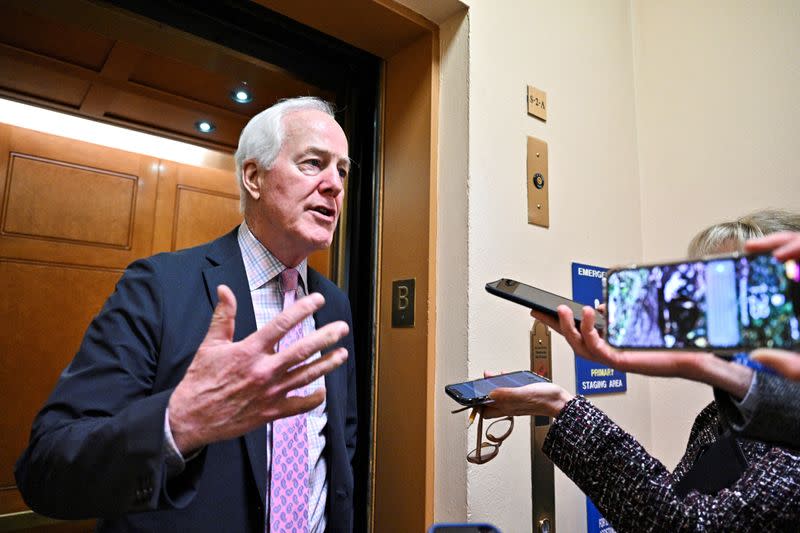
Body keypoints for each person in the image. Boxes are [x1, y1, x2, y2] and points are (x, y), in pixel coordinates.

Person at [15, 96, 358, 532]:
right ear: (253, 176)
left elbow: (337, 448)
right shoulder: (158, 287)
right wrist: (176, 424)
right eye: (313, 163)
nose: (334, 184)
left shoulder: (334, 305)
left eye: (342, 171)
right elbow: (47, 467)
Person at [483, 211, 800, 531]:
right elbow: (671, 502)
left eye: (739, 287)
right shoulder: (715, 417)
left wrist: (562, 407)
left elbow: (686, 526)